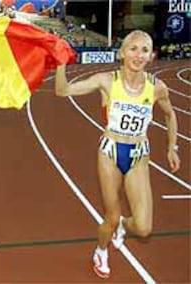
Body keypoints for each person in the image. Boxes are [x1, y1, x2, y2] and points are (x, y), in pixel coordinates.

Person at [54, 30, 180, 278]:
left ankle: (124, 223)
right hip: (110, 153)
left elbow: (170, 114)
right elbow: (62, 90)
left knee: (143, 228)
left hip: (139, 156)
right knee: (110, 218)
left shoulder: (157, 87)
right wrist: (60, 61)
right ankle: (101, 250)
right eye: (133, 48)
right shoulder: (107, 81)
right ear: (122, 53)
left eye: (144, 50)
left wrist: (171, 146)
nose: (138, 55)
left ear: (151, 56)